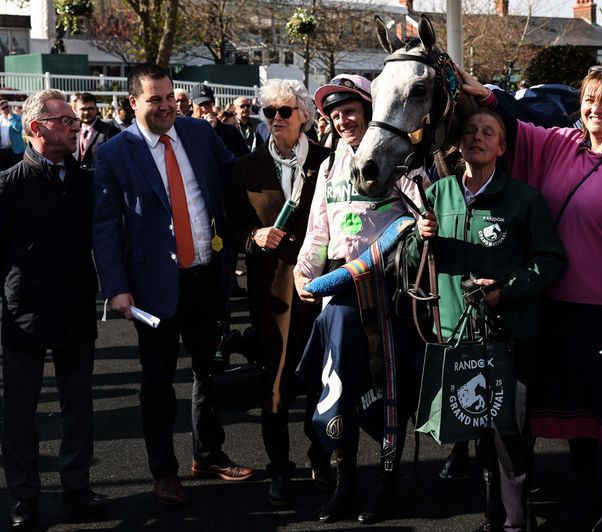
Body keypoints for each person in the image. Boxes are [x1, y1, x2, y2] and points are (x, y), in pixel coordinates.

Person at [459, 64, 602, 530]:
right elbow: (514, 124)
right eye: (590, 99)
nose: (597, 108)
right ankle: (589, 499)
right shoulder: (561, 144)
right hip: (557, 307)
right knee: (575, 415)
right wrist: (483, 94)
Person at [92, 63, 253, 507]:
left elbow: (236, 175)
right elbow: (106, 229)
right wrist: (116, 287)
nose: (166, 107)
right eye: (155, 100)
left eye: (169, 97)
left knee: (209, 371)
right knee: (158, 382)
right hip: (152, 289)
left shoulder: (199, 134)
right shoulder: (114, 154)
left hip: (206, 278)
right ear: (132, 103)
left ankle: (209, 454)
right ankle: (164, 471)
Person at [412, 109, 567, 532]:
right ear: (459, 144)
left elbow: (552, 261)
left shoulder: (524, 200)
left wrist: (505, 288)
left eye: (488, 132)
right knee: (475, 430)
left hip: (510, 336)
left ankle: (518, 523)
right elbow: (412, 265)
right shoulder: (436, 195)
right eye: (470, 131)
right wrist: (419, 240)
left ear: (502, 147)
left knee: (510, 435)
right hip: (456, 336)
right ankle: (491, 517)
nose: (477, 137)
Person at [293, 74, 425, 525]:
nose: (342, 119)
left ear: (370, 111)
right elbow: (318, 229)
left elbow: (422, 214)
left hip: (388, 291)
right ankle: (345, 483)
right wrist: (303, 272)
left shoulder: (401, 161)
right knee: (340, 387)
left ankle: (387, 484)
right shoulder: (329, 166)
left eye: (350, 110)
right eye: (334, 113)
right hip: (339, 290)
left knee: (393, 389)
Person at [0, 89, 104, 529]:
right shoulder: (8, 184)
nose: (75, 125)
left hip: (76, 307)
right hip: (23, 313)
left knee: (77, 406)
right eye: (64, 120)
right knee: (20, 412)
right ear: (36, 127)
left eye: (73, 120)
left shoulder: (84, 181)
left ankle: (77, 487)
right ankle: (24, 497)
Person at [226, 78, 331, 506]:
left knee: (323, 376)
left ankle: (320, 455)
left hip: (323, 287)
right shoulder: (244, 169)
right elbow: (229, 228)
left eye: (284, 111)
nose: (275, 120)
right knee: (276, 382)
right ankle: (279, 468)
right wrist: (254, 236)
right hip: (272, 291)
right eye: (269, 113)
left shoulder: (330, 160)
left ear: (304, 114)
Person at [192, 85, 249, 158]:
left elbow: (243, 156)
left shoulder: (229, 131)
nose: (204, 109)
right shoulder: (185, 129)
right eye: (200, 104)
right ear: (192, 103)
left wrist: (215, 130)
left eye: (207, 104)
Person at [72, 92, 121, 172]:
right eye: (83, 109)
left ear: (96, 109)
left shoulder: (111, 131)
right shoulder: (73, 131)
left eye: (90, 108)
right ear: (76, 110)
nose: (86, 112)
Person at [0, 99, 25, 170]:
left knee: (17, 172)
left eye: (7, 107)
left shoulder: (17, 117)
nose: (6, 109)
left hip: (16, 150)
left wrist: (11, 118)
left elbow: (18, 128)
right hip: (3, 151)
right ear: (0, 110)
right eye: (3, 108)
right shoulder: (0, 119)